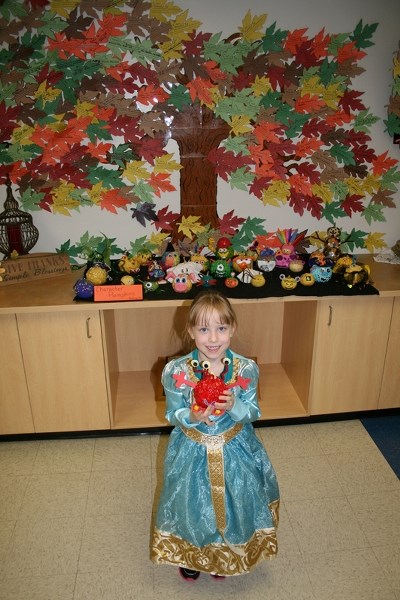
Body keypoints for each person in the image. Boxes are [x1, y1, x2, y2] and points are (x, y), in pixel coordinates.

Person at [151, 290, 279, 581]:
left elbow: (254, 412)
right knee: (193, 503)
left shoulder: (245, 369)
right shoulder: (177, 371)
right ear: (191, 331)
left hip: (235, 447)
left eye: (221, 328)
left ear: (232, 329)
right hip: (192, 449)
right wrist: (191, 416)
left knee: (236, 501)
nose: (212, 338)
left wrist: (235, 406)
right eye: (204, 329)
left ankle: (224, 552)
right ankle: (194, 554)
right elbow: (172, 414)